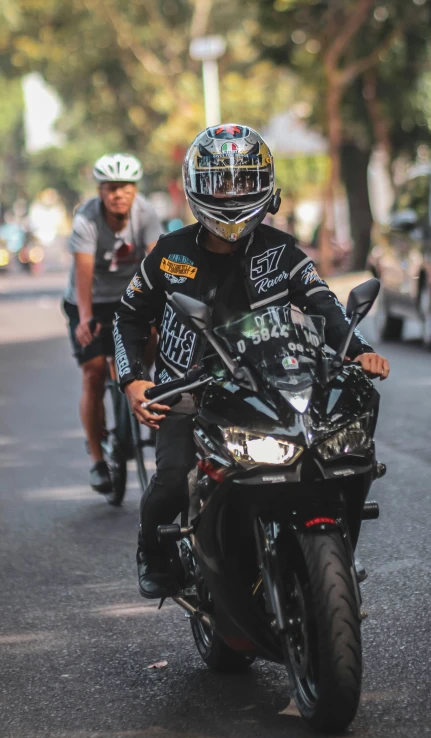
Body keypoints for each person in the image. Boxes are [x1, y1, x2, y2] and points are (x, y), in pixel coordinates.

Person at [114, 124, 390, 599]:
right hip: (188, 390)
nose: (232, 192)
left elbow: (323, 303)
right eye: (221, 180)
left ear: (264, 183)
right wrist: (133, 381)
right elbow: (127, 320)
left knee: (338, 457)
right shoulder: (170, 253)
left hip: (271, 386)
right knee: (174, 482)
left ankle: (335, 550)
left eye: (243, 180)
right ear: (198, 185)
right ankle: (153, 551)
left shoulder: (280, 249)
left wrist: (359, 349)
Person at [63, 153, 162, 493]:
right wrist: (86, 318)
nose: (119, 194)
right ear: (100, 191)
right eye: (111, 188)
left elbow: (156, 262)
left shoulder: (146, 213)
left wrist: (162, 309)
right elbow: (84, 272)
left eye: (125, 188)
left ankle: (133, 390)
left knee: (148, 349)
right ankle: (96, 459)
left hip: (131, 298)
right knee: (93, 371)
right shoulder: (87, 218)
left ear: (135, 190)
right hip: (89, 299)